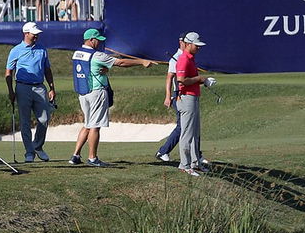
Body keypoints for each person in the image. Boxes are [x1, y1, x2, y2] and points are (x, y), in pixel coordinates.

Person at [69, 28, 156, 167]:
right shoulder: (97, 56)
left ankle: (75, 156)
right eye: (97, 40)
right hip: (96, 92)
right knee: (95, 126)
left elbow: (90, 69)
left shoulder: (77, 53)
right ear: (92, 40)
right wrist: (142, 62)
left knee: (87, 124)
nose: (99, 43)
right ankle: (92, 158)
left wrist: (105, 69)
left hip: (83, 93)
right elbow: (120, 63)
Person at [5, 22, 55, 163]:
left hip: (39, 87)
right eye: (34, 34)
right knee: (25, 121)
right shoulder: (16, 50)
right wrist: (10, 90)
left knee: (44, 119)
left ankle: (38, 146)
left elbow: (47, 70)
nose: (36, 36)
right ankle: (29, 152)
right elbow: (9, 72)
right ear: (26, 33)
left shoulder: (42, 49)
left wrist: (52, 88)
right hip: (22, 87)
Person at [155, 32, 208, 164]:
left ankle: (196, 156)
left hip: (188, 94)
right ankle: (164, 151)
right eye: (181, 41)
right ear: (183, 42)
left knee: (190, 127)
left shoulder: (189, 57)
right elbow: (171, 78)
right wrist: (168, 96)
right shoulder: (179, 57)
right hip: (179, 94)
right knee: (183, 127)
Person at [176, 32, 211, 177]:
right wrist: (200, 79)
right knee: (187, 133)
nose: (198, 48)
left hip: (194, 97)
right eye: (196, 46)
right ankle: (184, 165)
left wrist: (202, 81)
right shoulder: (183, 59)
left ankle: (195, 163)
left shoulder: (191, 58)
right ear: (188, 44)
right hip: (186, 98)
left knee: (195, 133)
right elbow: (181, 80)